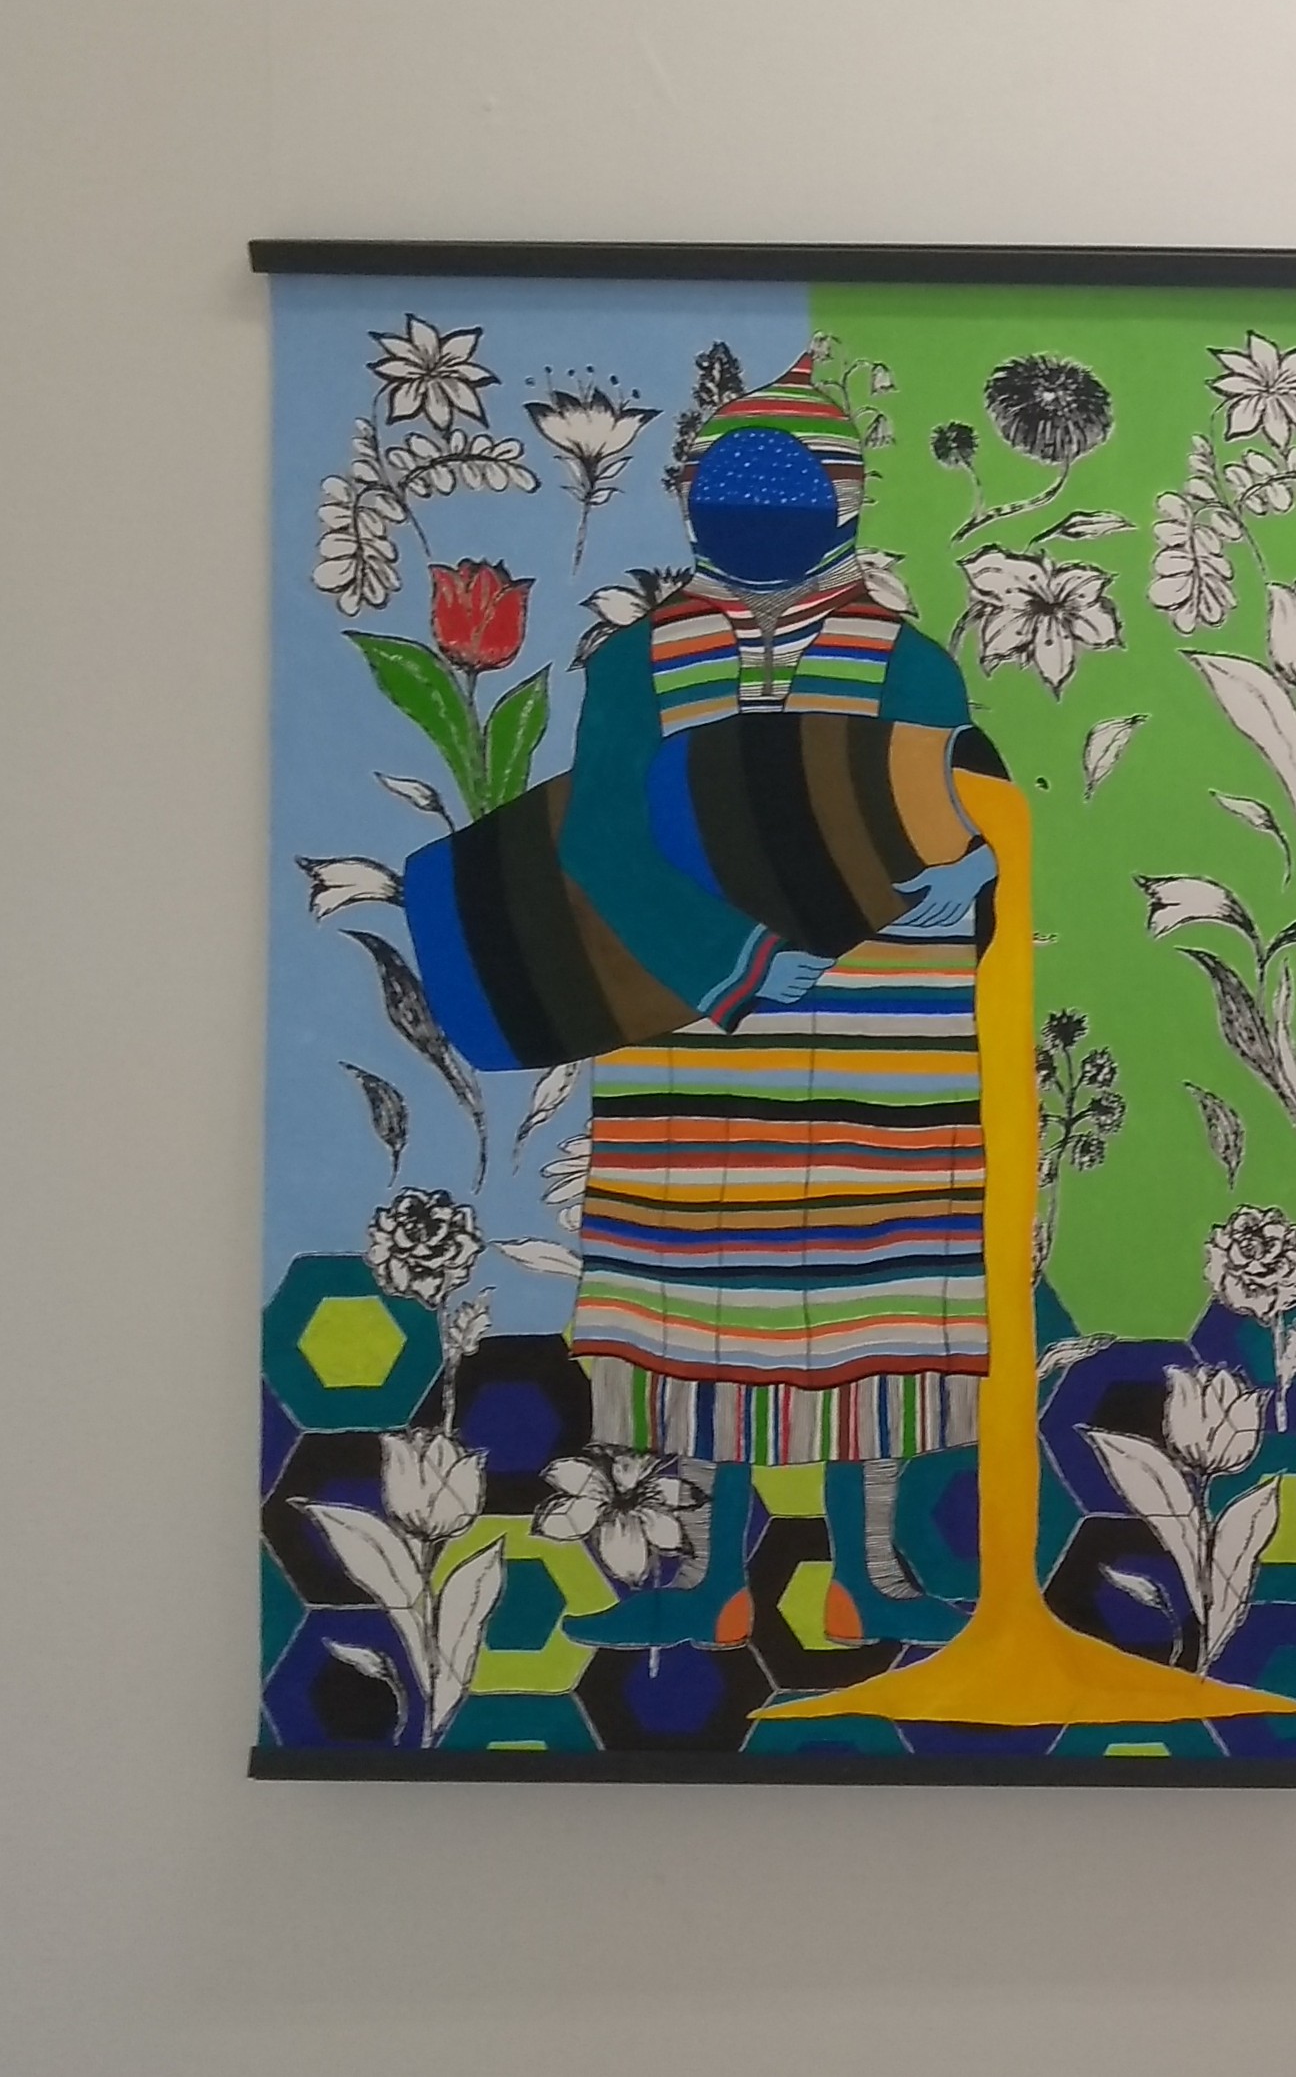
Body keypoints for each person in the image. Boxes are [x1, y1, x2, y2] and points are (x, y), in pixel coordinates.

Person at [440, 355, 996, 1648]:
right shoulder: (639, 664)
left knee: (875, 1288)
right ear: (691, 499)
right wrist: (732, 965)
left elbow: (962, 810)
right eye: (736, 485)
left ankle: (872, 1569)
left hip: (882, 1034)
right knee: (697, 1285)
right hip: (695, 1032)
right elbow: (601, 840)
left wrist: (967, 876)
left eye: (793, 485)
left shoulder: (906, 664)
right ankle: (697, 1575)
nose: (763, 509)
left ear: (845, 500)